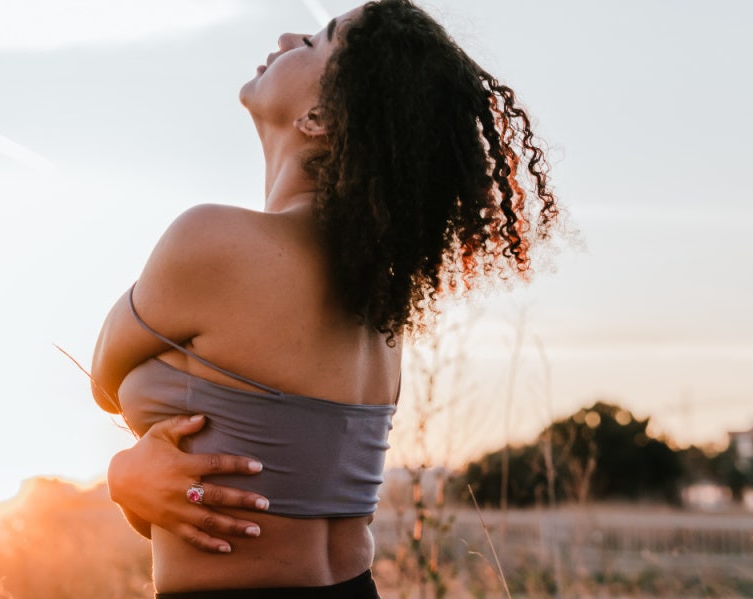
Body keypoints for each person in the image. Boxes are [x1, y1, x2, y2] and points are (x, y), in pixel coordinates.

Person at [90, 1, 561, 596]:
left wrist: (125, 471)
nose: (288, 36)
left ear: (318, 116)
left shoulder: (213, 242)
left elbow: (103, 378)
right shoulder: (380, 305)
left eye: (315, 42)